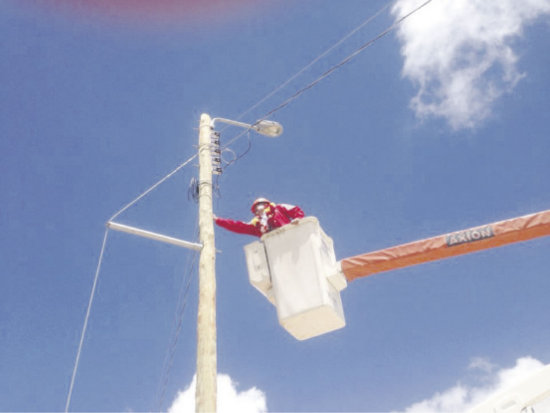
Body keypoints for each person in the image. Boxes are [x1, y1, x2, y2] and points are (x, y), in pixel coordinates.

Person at [214, 198, 305, 237]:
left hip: (289, 234)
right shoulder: (256, 224)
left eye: (259, 206)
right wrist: (218, 220)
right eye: (255, 209)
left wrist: (298, 219)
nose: (257, 210)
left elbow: (294, 210)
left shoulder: (278, 208)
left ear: (266, 204)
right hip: (274, 243)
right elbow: (238, 226)